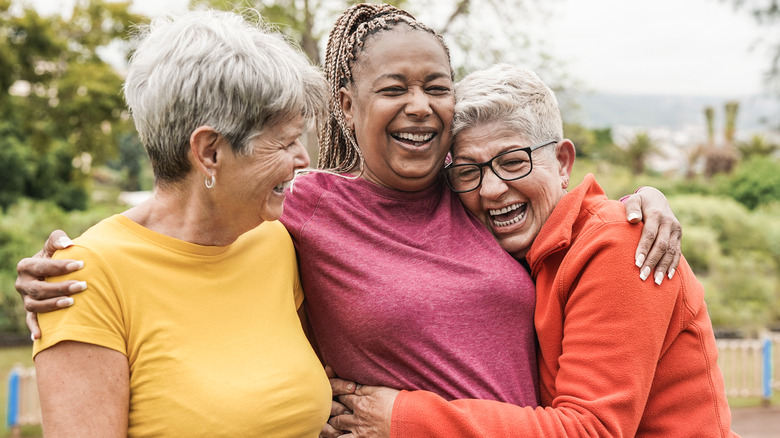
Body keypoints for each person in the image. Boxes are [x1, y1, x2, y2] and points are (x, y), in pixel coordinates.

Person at [17, 2, 681, 431]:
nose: (420, 106)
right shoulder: (303, 210)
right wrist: (77, 260)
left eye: (437, 88)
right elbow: (191, 210)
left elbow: (552, 203)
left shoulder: (474, 193)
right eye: (394, 89)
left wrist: (637, 201)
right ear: (344, 102)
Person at [327, 65, 737, 437]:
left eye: (512, 162)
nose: (490, 189)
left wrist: (402, 417)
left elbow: (589, 431)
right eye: (469, 171)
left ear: (562, 162)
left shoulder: (620, 246)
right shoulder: (519, 247)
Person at [30, 10, 331, 437]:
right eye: (285, 142)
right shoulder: (84, 278)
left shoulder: (274, 239)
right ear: (209, 152)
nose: (302, 159)